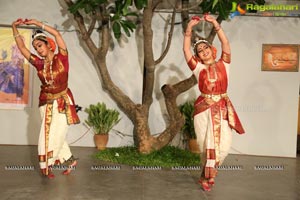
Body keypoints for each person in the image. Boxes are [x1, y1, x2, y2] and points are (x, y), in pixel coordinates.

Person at [12, 18, 80, 179]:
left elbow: (56, 34)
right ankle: (70, 161)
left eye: (40, 45)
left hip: (62, 101)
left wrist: (37, 23)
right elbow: (22, 48)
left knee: (55, 133)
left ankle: (47, 165)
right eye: (35, 48)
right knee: (52, 134)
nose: (38, 49)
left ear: (49, 44)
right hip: (45, 103)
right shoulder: (39, 63)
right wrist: (14, 27)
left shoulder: (62, 57)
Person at [183, 14, 245, 191]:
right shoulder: (198, 68)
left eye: (205, 48)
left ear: (212, 49)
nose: (203, 51)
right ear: (199, 57)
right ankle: (205, 176)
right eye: (200, 51)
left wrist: (215, 24)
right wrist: (189, 30)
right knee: (206, 146)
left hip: (222, 108)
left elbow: (226, 44)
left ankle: (209, 172)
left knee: (223, 145)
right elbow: (186, 51)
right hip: (203, 110)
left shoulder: (224, 64)